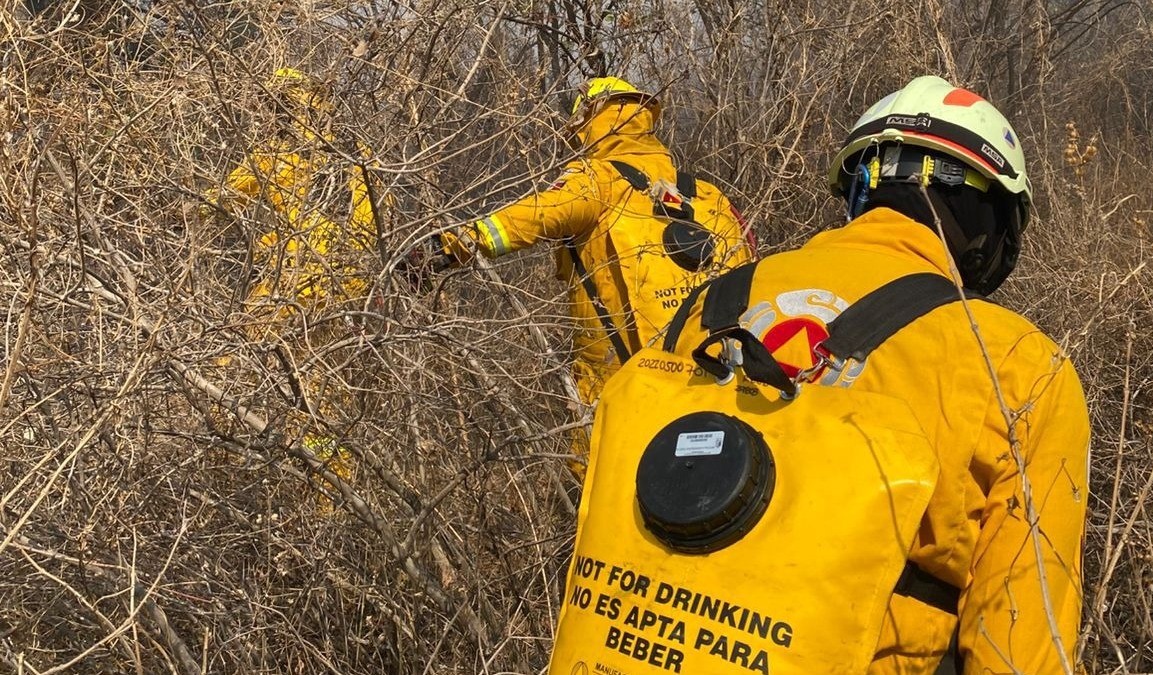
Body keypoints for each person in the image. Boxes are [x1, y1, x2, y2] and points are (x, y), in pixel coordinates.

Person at [549, 76, 1089, 674]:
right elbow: (1019, 641)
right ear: (991, 221)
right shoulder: (1020, 364)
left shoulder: (712, 303)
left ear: (858, 188)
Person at [428, 77, 756, 459]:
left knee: (605, 481)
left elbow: (528, 218)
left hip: (624, 383)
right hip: (718, 375)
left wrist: (446, 247)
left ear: (589, 120)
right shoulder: (706, 194)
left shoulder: (597, 180)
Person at [207, 67, 388, 497]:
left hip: (293, 282)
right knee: (322, 390)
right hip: (348, 286)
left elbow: (219, 201)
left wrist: (183, 209)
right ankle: (330, 492)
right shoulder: (359, 153)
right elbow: (380, 219)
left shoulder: (274, 155)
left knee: (229, 360)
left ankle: (222, 463)